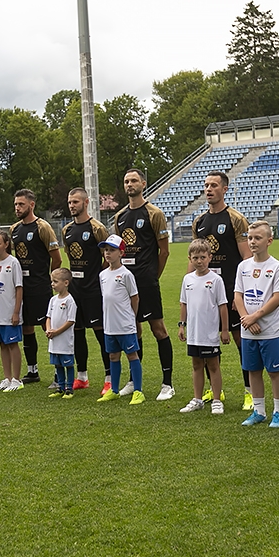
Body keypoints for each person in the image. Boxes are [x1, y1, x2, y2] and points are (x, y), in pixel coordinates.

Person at [191, 171, 252, 410]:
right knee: (205, 341)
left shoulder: (235, 219)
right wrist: (189, 284)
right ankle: (214, 390)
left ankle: (249, 392)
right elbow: (193, 254)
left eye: (214, 185)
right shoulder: (200, 221)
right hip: (205, 291)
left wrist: (242, 292)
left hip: (230, 289)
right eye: (206, 185)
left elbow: (246, 257)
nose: (209, 189)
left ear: (224, 189)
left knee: (239, 340)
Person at [114, 168, 174, 401]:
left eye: (134, 180)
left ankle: (167, 383)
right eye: (126, 181)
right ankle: (133, 380)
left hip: (146, 281)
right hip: (125, 283)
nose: (130, 184)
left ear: (143, 184)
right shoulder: (120, 216)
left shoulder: (154, 213)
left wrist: (152, 276)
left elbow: (164, 251)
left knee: (157, 328)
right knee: (133, 330)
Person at [235, 221, 279, 428]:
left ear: (269, 241)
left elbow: (277, 298)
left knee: (274, 372)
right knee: (253, 371)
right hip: (248, 329)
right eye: (250, 238)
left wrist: (255, 317)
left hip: (270, 331)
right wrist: (246, 320)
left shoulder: (276, 267)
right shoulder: (243, 266)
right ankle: (258, 411)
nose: (252, 242)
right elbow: (238, 296)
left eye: (257, 238)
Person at [11, 189, 62, 385]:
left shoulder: (42, 227)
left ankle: (59, 373)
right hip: (21, 288)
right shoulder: (14, 229)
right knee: (26, 328)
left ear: (31, 205)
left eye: (21, 204)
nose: (17, 208)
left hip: (40, 287)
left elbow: (56, 258)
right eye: (16, 204)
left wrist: (47, 279)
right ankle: (32, 370)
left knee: (47, 327)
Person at [63, 188, 111, 394]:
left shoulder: (96, 228)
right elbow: (69, 256)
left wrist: (96, 278)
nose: (72, 205)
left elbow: (107, 256)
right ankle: (82, 376)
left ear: (86, 202)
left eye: (75, 202)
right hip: (75, 289)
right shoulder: (66, 230)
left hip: (93, 289)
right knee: (77, 332)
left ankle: (109, 377)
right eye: (70, 202)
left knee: (101, 334)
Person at [178, 239, 230, 415]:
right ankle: (197, 399)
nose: (199, 261)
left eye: (202, 257)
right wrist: (181, 325)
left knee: (213, 365)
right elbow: (183, 304)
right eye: (195, 258)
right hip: (194, 332)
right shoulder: (187, 279)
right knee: (196, 365)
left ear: (210, 257)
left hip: (209, 333)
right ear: (190, 259)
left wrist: (224, 330)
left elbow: (223, 306)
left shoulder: (216, 280)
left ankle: (216, 400)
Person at [96, 235, 144, 405]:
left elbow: (135, 298)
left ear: (121, 253)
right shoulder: (102, 275)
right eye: (106, 250)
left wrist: (131, 316)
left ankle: (138, 391)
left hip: (125, 324)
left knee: (132, 355)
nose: (107, 253)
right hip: (110, 325)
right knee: (113, 356)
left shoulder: (126, 275)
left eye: (112, 250)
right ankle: (114, 390)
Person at [0, 230, 25, 393]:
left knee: (12, 344)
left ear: (6, 244)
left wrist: (16, 312)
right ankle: (7, 378)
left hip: (10, 313)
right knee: (2, 345)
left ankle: (17, 379)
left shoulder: (13, 262)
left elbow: (19, 288)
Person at [45, 268, 77, 399]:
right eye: (52, 281)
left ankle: (69, 388)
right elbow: (49, 317)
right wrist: (48, 329)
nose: (52, 284)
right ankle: (60, 387)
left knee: (68, 364)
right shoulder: (53, 300)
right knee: (57, 364)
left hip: (64, 340)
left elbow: (71, 321)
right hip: (54, 339)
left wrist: (57, 331)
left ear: (66, 283)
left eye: (55, 281)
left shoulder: (70, 301)